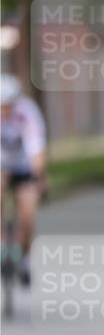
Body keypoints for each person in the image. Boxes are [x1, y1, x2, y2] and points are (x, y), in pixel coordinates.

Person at [0, 74, 46, 286]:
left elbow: (36, 147)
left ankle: (25, 257)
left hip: (23, 166)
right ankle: (2, 244)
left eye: (8, 105)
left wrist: (38, 174)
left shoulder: (27, 113)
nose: (4, 111)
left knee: (28, 212)